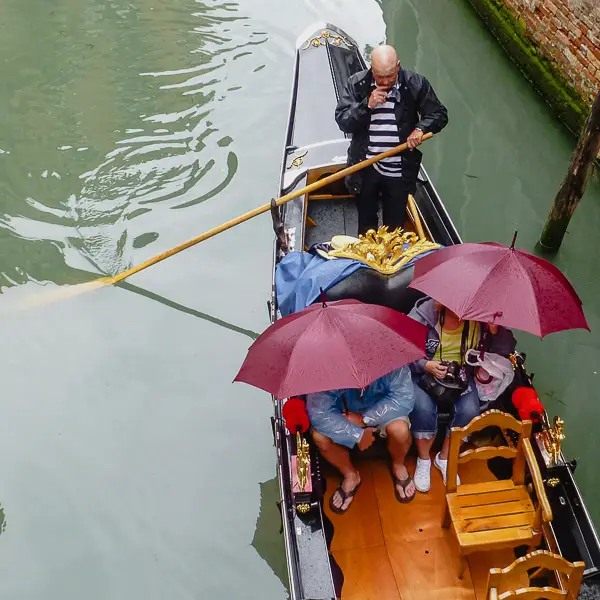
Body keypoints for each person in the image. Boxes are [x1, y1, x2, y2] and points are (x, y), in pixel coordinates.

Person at [334, 44, 448, 236]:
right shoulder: (357, 84)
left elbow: (439, 114)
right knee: (366, 226)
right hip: (365, 167)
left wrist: (421, 128)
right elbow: (343, 122)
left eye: (390, 76)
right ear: (372, 69)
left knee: (395, 227)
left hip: (398, 168)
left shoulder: (416, 84)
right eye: (379, 76)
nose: (385, 82)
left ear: (398, 66)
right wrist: (366, 105)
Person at [407, 297, 516, 493]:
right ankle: (423, 459)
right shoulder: (423, 316)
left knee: (470, 409)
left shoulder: (481, 319)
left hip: (461, 375)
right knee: (423, 408)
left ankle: (445, 457)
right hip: (425, 373)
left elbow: (506, 349)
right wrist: (426, 365)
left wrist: (495, 331)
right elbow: (403, 348)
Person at [306, 365, 415, 513]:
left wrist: (365, 419)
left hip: (383, 413)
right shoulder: (326, 368)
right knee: (319, 438)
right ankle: (350, 474)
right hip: (344, 417)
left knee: (400, 430)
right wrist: (356, 434)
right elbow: (319, 413)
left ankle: (398, 464)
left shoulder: (391, 359)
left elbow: (402, 398)